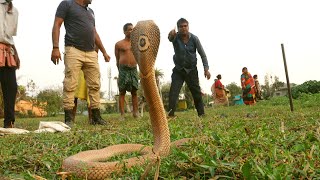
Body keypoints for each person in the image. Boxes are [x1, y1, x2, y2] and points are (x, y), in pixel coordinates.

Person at [51, 0, 110, 126]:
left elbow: (94, 32)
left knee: (95, 85)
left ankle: (96, 118)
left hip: (91, 52)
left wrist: (104, 52)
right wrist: (55, 47)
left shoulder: (91, 12)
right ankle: (69, 119)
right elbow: (57, 24)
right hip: (73, 50)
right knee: (70, 84)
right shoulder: (67, 4)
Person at [167, 18, 211, 117]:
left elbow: (202, 54)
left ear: (188, 26)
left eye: (185, 26)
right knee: (173, 93)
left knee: (196, 94)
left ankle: (202, 114)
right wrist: (171, 34)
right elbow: (170, 38)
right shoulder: (175, 37)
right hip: (178, 70)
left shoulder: (194, 39)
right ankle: (170, 115)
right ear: (178, 28)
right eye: (181, 26)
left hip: (191, 70)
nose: (183, 28)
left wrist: (206, 69)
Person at [0, 0, 19, 128]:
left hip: (7, 51)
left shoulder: (15, 11)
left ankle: (9, 122)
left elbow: (10, 37)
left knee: (11, 87)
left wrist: (15, 52)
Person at [115, 23, 139, 120]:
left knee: (134, 91)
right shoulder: (119, 44)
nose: (131, 31)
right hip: (123, 69)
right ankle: (122, 114)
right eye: (129, 29)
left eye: (133, 29)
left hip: (133, 69)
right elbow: (117, 59)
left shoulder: (137, 43)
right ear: (124, 31)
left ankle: (136, 113)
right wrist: (120, 70)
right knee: (122, 92)